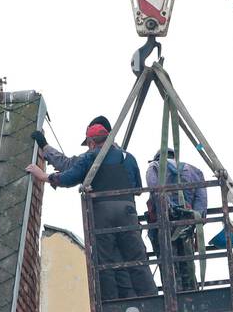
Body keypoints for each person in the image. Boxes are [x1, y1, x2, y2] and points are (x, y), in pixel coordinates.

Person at [27, 120, 157, 300]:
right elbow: (137, 188)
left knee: (106, 262)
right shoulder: (128, 157)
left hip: (102, 212)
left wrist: (44, 176)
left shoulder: (89, 157)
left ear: (91, 142)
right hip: (128, 212)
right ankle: (152, 299)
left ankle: (111, 305)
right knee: (136, 259)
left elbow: (69, 175)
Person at [145, 149, 207, 292]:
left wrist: (170, 209)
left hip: (164, 226)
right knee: (188, 267)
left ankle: (174, 300)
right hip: (187, 227)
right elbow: (201, 205)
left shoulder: (154, 167)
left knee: (169, 269)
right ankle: (191, 298)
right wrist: (194, 220)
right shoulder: (195, 171)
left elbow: (155, 191)